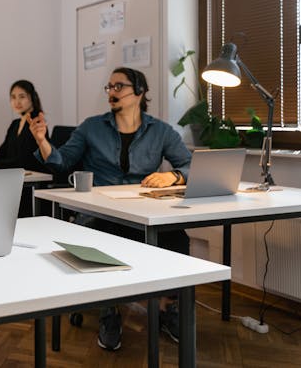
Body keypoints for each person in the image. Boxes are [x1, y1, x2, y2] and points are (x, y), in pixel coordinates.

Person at [28, 67, 191, 351]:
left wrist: (173, 176)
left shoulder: (161, 131)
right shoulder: (92, 127)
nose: (111, 92)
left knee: (177, 237)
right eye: (109, 87)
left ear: (139, 91)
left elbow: (189, 165)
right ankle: (109, 311)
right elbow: (61, 161)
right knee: (102, 234)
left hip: (144, 209)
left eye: (119, 86)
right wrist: (42, 141)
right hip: (98, 210)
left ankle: (167, 308)